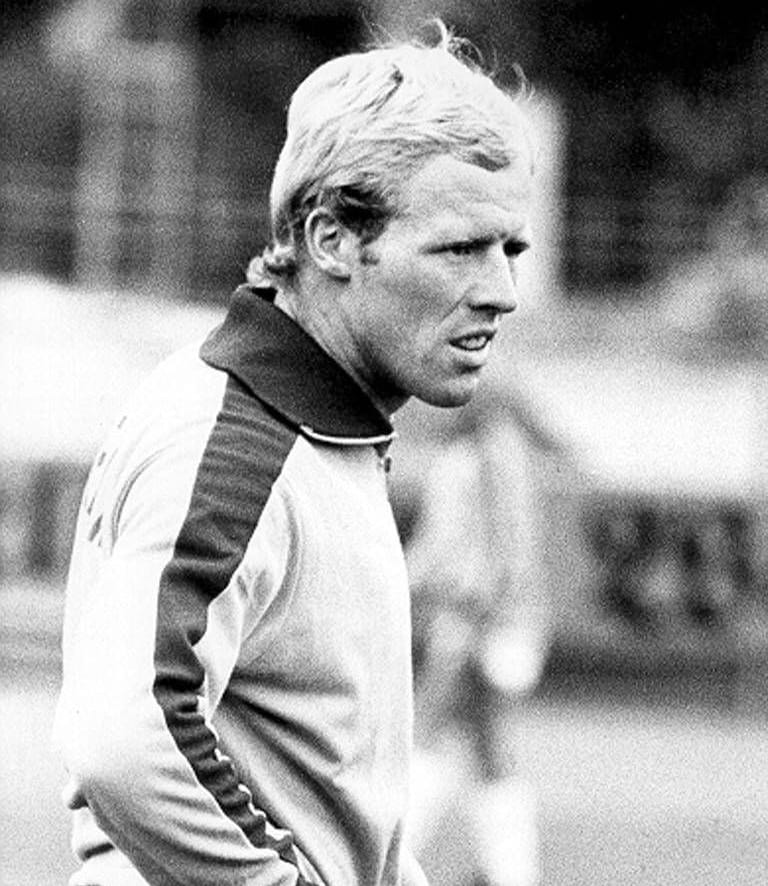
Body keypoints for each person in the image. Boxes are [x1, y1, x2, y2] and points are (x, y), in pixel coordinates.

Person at [52, 23, 538, 886]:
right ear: (331, 240)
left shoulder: (317, 434)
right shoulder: (241, 445)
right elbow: (126, 737)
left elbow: (321, 808)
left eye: (511, 250)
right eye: (461, 248)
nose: (500, 291)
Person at [401, 386, 562, 886]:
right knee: (487, 744)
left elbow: (478, 548)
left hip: (476, 618)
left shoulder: (480, 455)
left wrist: (399, 582)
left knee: (431, 729)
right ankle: (509, 871)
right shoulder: (496, 450)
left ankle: (390, 856)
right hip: (495, 619)